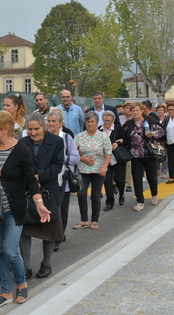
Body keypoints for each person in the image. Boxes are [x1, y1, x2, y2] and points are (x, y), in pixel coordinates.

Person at [0, 110, 49, 308]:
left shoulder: (21, 150)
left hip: (13, 209)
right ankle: (6, 291)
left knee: (10, 250)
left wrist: (39, 203)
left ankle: (22, 283)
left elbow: (30, 180)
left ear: (5, 128)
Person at [19, 111, 64, 279]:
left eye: (36, 129)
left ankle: (46, 264)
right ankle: (25, 266)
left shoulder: (57, 141)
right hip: (28, 191)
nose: (33, 133)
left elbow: (57, 166)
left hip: (49, 190)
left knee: (49, 228)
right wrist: (31, 180)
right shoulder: (22, 143)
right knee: (25, 228)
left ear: (44, 128)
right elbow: (20, 166)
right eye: (30, 129)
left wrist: (38, 177)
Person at [73, 111, 112, 230]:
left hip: (98, 170)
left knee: (95, 196)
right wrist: (82, 157)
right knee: (81, 194)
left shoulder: (103, 137)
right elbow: (73, 154)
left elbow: (108, 153)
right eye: (88, 121)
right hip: (83, 170)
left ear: (97, 123)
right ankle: (84, 219)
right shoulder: (79, 137)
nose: (90, 124)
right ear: (85, 123)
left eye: (92, 121)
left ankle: (95, 220)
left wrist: (104, 167)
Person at [47, 108, 79, 253]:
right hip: (48, 178)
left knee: (63, 209)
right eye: (49, 121)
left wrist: (61, 158)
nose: (51, 124)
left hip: (64, 180)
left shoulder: (66, 138)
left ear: (60, 123)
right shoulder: (44, 137)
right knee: (50, 207)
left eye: (54, 121)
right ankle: (52, 234)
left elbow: (75, 158)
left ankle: (58, 236)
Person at [123, 102, 165, 212]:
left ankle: (154, 194)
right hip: (135, 155)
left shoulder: (150, 121)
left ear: (142, 110)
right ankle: (139, 201)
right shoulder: (128, 124)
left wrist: (152, 134)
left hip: (149, 153)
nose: (135, 112)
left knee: (151, 177)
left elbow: (161, 132)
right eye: (133, 110)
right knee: (136, 178)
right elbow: (124, 136)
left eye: (137, 110)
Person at [99, 110, 128, 210]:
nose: (106, 123)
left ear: (113, 120)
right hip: (105, 160)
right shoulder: (99, 130)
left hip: (117, 159)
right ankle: (109, 202)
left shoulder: (118, 129)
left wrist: (118, 143)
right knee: (107, 181)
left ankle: (121, 194)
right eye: (104, 120)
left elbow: (126, 140)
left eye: (108, 121)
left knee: (120, 179)